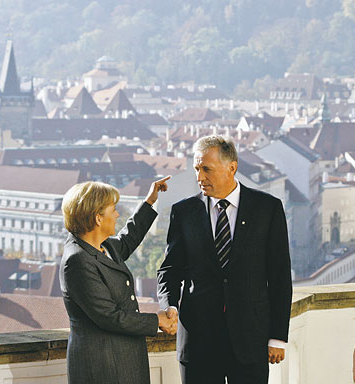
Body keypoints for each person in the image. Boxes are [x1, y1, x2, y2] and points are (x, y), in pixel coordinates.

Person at [157, 135, 293, 383]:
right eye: (197, 169)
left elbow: (280, 277)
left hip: (250, 341)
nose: (200, 177)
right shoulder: (184, 212)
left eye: (206, 169)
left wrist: (277, 337)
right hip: (198, 343)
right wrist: (169, 306)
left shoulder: (268, 209)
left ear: (232, 167)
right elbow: (170, 269)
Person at [60, 178, 176, 384]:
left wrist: (149, 202)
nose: (117, 215)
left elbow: (128, 239)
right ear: (97, 218)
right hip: (101, 365)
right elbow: (109, 316)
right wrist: (157, 320)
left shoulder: (104, 246)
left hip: (124, 359)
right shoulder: (77, 260)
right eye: (113, 209)